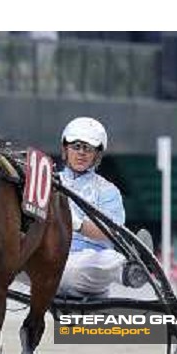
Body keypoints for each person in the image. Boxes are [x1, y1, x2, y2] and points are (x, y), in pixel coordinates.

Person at [55, 117, 147, 297]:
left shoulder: (108, 191)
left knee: (104, 259)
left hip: (84, 267)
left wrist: (76, 224)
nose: (81, 153)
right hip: (45, 262)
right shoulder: (48, 181)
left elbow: (110, 233)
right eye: (76, 146)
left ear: (97, 155)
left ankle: (131, 268)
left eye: (88, 148)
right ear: (65, 148)